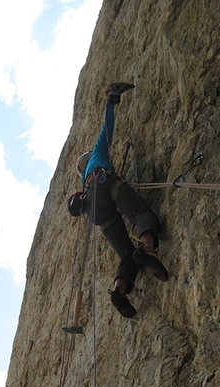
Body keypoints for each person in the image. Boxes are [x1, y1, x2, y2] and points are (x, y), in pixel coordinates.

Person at [69, 83, 168, 318]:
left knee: (125, 253)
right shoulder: (97, 157)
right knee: (141, 215)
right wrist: (111, 100)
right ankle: (148, 249)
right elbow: (107, 129)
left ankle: (119, 290)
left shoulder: (84, 182)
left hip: (95, 213)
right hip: (105, 185)